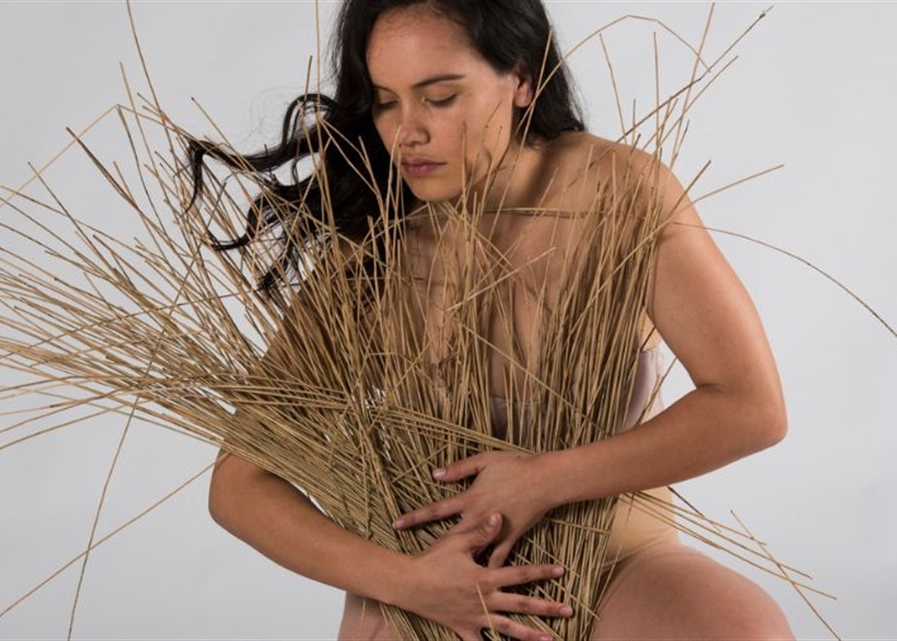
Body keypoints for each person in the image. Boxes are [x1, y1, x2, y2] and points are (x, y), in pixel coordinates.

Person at [199, 1, 794, 639]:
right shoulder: (371, 247)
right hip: (429, 576)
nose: (406, 134)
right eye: (386, 101)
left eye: (440, 97)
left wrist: (543, 479)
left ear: (522, 79)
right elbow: (240, 485)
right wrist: (410, 583)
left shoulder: (619, 193)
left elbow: (750, 407)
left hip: (615, 554)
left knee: (737, 627)